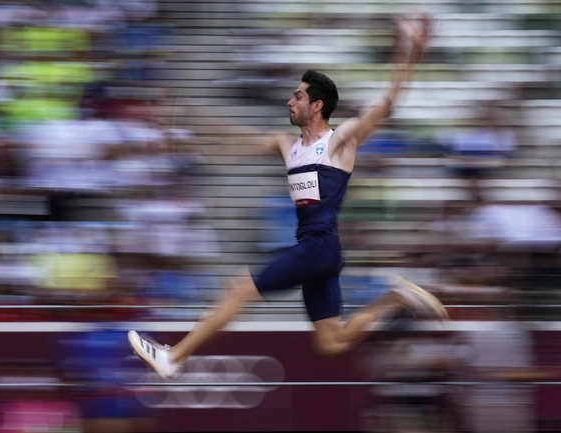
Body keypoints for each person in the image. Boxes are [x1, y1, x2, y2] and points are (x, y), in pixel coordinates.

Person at [128, 11, 448, 380]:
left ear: (317, 106)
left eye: (297, 96)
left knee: (238, 290)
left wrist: (411, 49)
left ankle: (174, 357)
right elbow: (234, 142)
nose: (289, 102)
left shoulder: (341, 141)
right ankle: (395, 299)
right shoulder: (286, 144)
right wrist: (189, 121)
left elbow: (388, 103)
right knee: (331, 341)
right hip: (321, 250)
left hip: (318, 247)